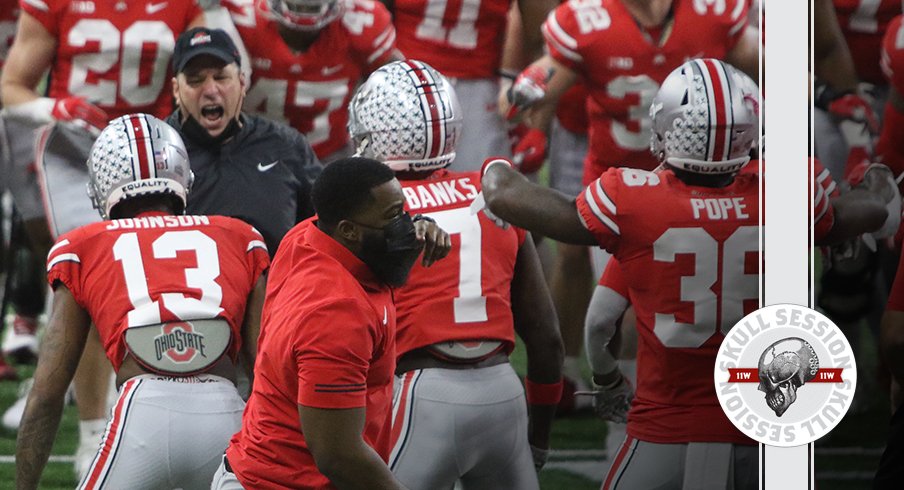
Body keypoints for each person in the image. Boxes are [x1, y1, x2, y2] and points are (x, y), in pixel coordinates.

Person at [480, 58, 760, 488]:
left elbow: (598, 322)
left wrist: (494, 169)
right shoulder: (790, 191)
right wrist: (876, 181)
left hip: (666, 426)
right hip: (763, 424)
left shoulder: (635, 203)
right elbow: (865, 212)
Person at [15, 113, 269, 490]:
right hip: (226, 411)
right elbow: (266, 369)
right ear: (183, 174)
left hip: (143, 411)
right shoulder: (240, 236)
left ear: (100, 183)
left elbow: (48, 392)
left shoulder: (82, 245)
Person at [347, 59, 564, 488]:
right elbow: (546, 338)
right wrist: (537, 439)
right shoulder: (495, 195)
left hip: (423, 394)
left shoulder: (368, 209)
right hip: (503, 393)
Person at [214, 157, 451, 489]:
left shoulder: (306, 236)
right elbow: (337, 455)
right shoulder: (335, 316)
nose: (407, 226)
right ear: (349, 231)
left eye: (406, 212)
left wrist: (415, 227)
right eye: (394, 217)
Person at [167, 27, 322, 256]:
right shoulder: (155, 154)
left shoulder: (285, 145)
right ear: (176, 90)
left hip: (276, 289)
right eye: (195, 80)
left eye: (221, 77)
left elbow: (324, 228)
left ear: (242, 83)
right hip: (185, 289)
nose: (211, 90)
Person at [222, 0, 402, 163]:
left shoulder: (364, 23)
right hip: (248, 154)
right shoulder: (237, 18)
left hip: (330, 157)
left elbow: (398, 89)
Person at [388, 0, 556, 170]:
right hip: (403, 80)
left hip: (477, 89)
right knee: (395, 183)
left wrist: (535, 124)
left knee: (480, 187)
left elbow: (539, 36)